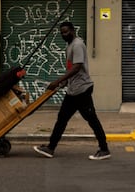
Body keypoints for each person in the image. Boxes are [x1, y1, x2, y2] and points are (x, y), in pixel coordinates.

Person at [33, 21, 111, 160]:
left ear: (73, 31)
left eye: (66, 31)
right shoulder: (69, 46)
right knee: (62, 119)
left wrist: (57, 81)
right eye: (62, 32)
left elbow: (77, 67)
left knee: (92, 119)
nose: (64, 34)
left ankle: (104, 149)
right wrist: (63, 83)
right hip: (73, 90)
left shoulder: (77, 45)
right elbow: (71, 69)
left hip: (82, 90)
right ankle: (50, 148)